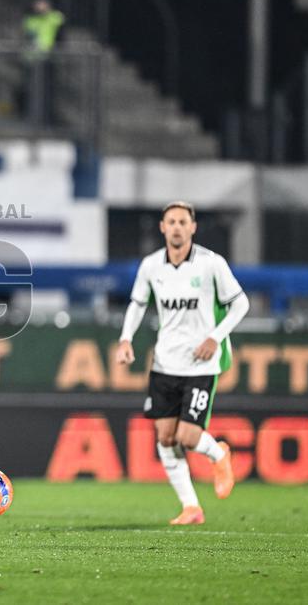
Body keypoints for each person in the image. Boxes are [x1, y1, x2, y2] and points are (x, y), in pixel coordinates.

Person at [116, 201, 249, 525]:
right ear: (162, 227)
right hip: (165, 362)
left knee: (188, 437)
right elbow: (137, 304)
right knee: (165, 438)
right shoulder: (151, 266)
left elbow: (240, 303)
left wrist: (214, 337)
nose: (176, 227)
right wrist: (125, 338)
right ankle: (192, 507)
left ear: (193, 227)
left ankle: (219, 454)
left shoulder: (210, 263)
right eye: (171, 221)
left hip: (200, 363)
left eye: (182, 222)